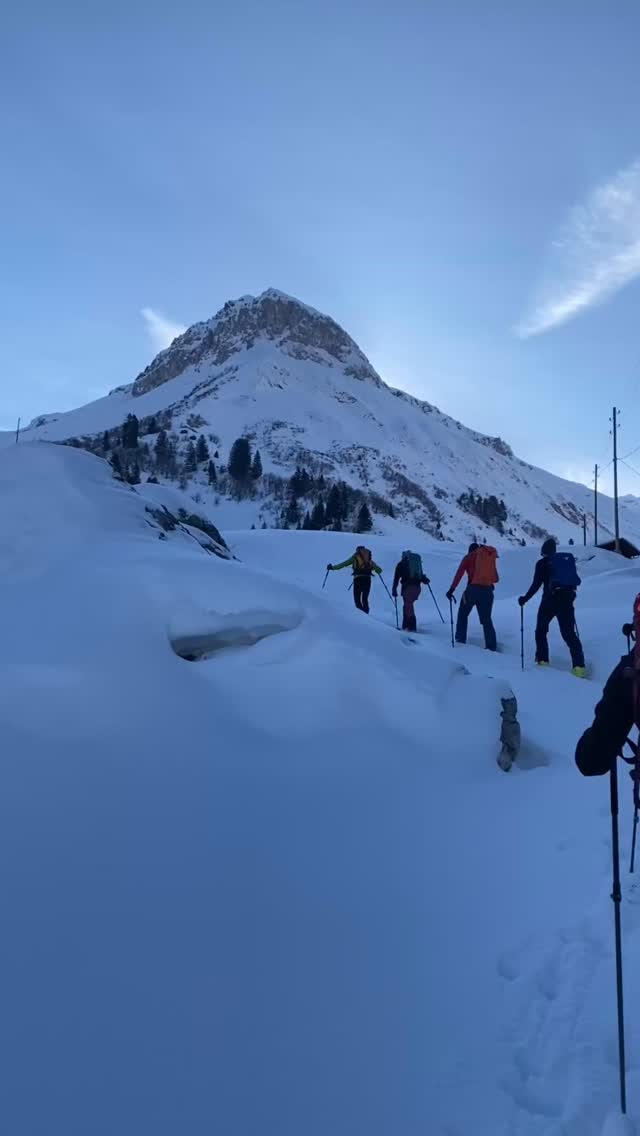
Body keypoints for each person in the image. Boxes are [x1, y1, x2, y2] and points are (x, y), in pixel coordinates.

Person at [518, 538, 586, 677]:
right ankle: (579, 667)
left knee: (541, 631)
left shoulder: (542, 564)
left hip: (549, 601)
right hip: (566, 600)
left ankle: (543, 660)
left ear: (543, 551)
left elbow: (536, 585)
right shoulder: (563, 563)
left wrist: (525, 599)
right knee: (569, 634)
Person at [446, 542, 498, 651]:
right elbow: (494, 576)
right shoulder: (488, 556)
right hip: (488, 591)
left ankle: (460, 640)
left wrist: (451, 589)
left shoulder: (468, 557)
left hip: (472, 590)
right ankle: (491, 646)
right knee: (487, 619)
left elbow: (459, 574)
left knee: (463, 613)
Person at [327, 545, 382, 613]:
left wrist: (332, 567)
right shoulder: (369, 559)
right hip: (367, 580)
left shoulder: (355, 557)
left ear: (357, 550)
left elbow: (343, 564)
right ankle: (367, 617)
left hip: (358, 580)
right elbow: (379, 570)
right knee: (364, 599)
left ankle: (361, 616)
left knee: (357, 600)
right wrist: (374, 569)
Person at [391, 550, 430, 633]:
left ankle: (411, 628)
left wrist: (394, 589)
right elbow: (420, 575)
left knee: (408, 606)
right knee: (407, 605)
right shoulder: (416, 564)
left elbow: (396, 578)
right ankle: (406, 626)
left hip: (407, 588)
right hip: (417, 588)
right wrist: (425, 580)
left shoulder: (401, 564)